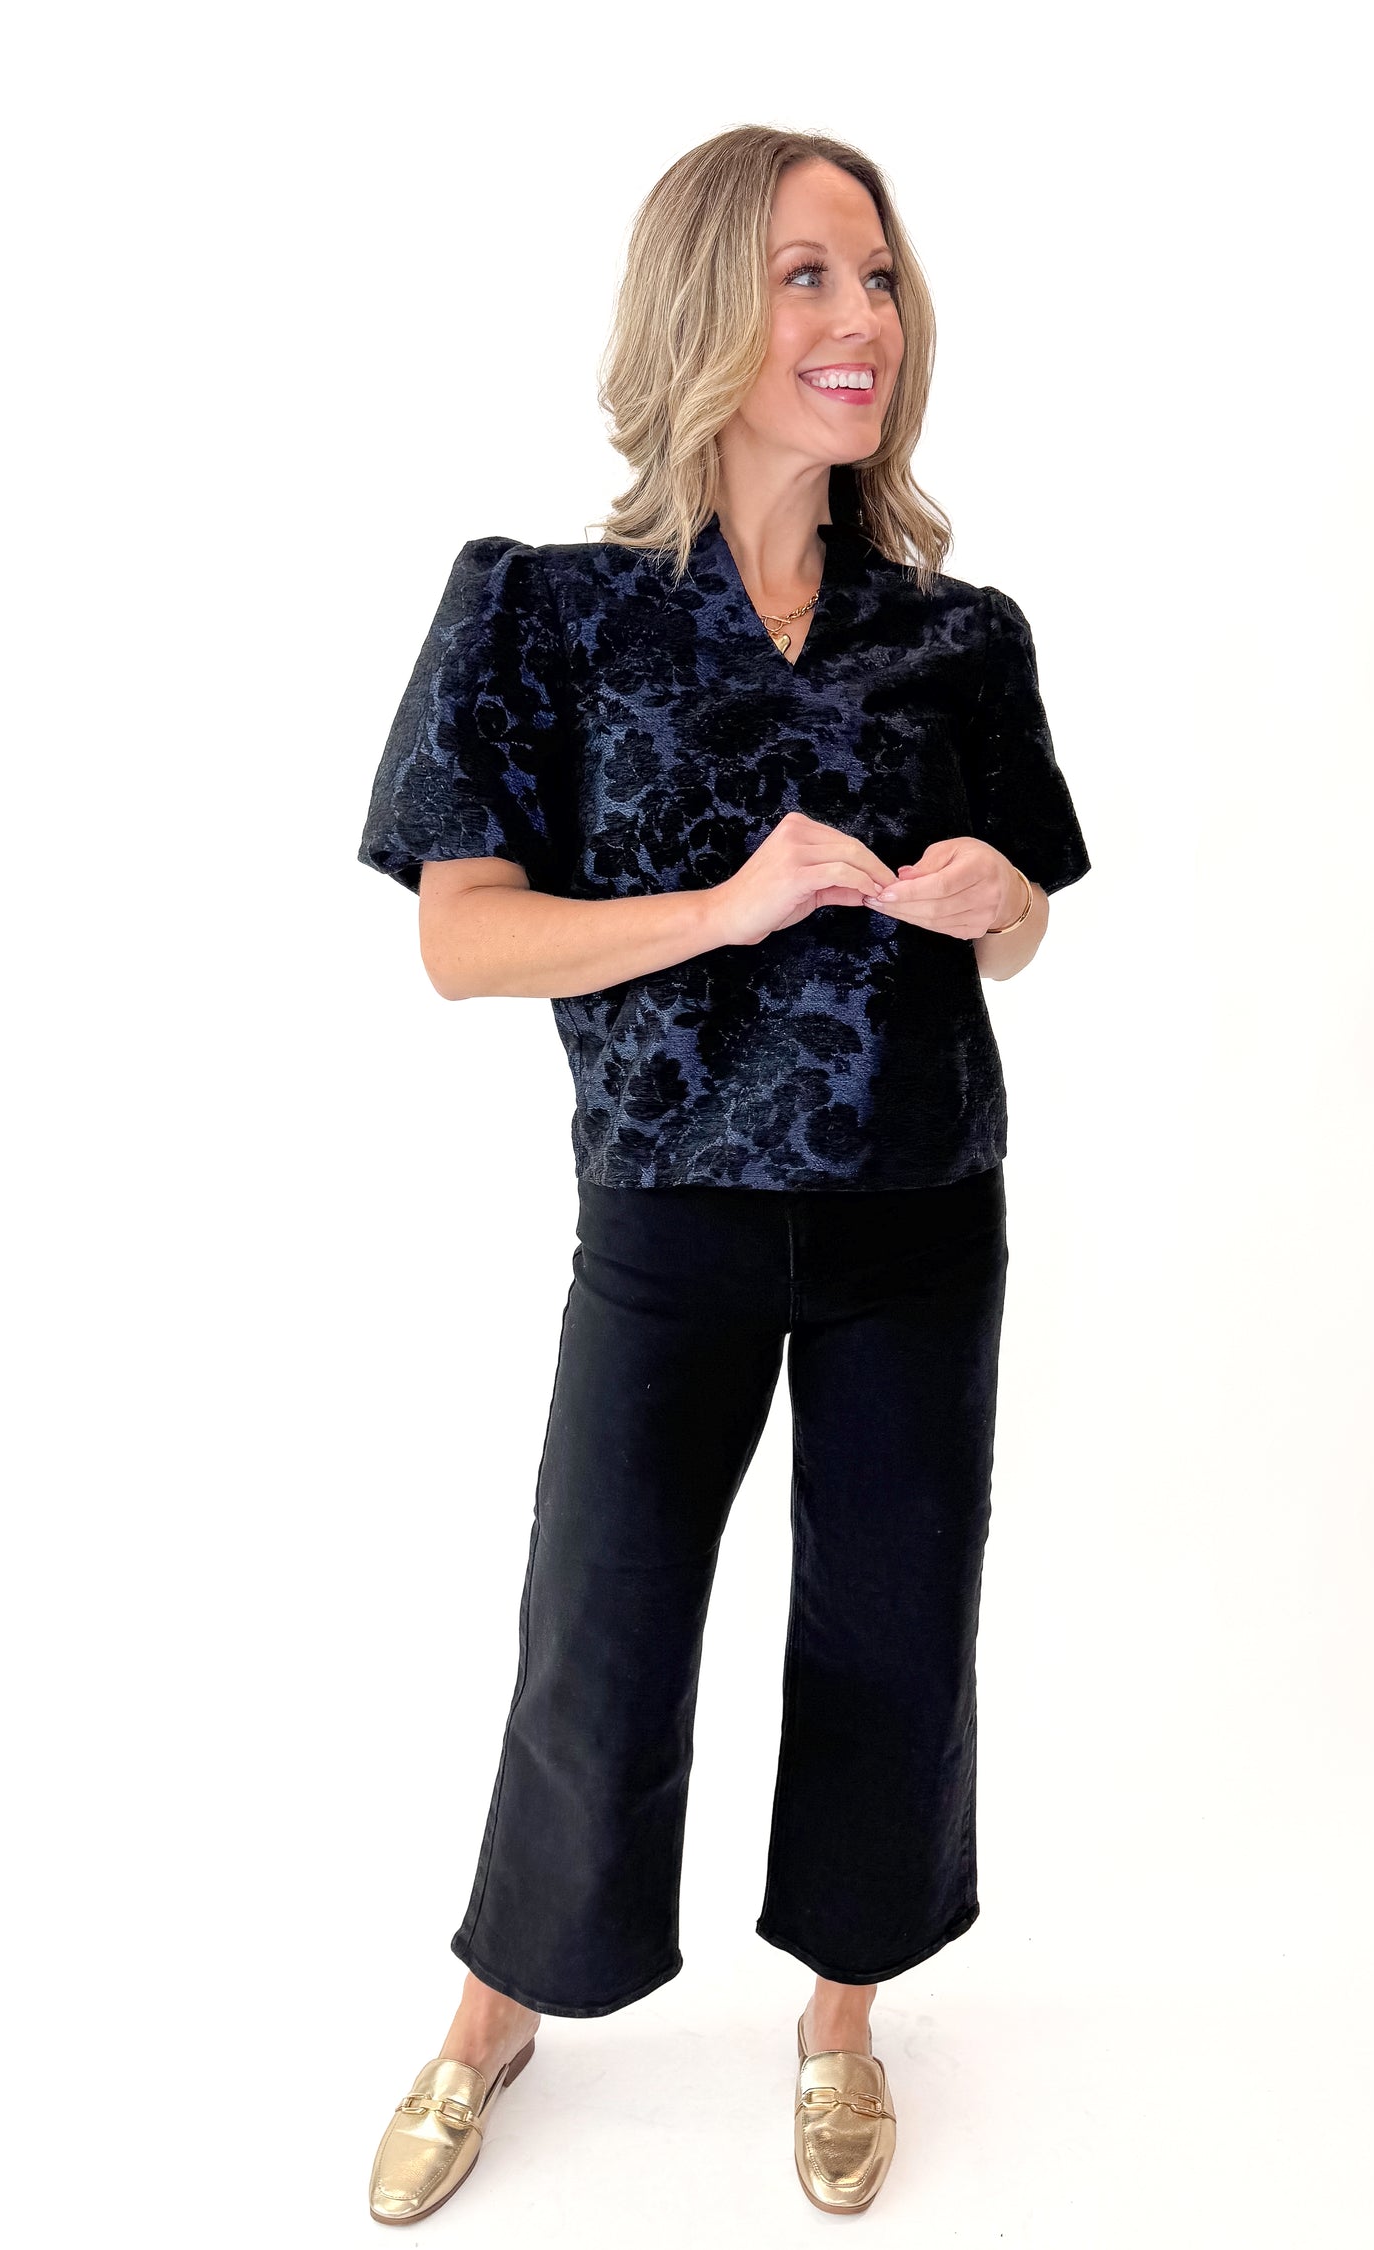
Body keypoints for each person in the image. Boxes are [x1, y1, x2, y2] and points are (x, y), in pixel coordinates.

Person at [357, 124, 1091, 2225]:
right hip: (668, 1215)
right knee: (599, 1634)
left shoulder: (960, 635)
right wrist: (721, 905)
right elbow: (461, 942)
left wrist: (995, 906)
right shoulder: (544, 612)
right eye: (808, 278)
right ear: (702, 310)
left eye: (880, 279)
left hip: (919, 1207)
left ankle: (842, 2020)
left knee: (892, 1629)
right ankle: (496, 2007)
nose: (865, 321)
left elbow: (1027, 922)